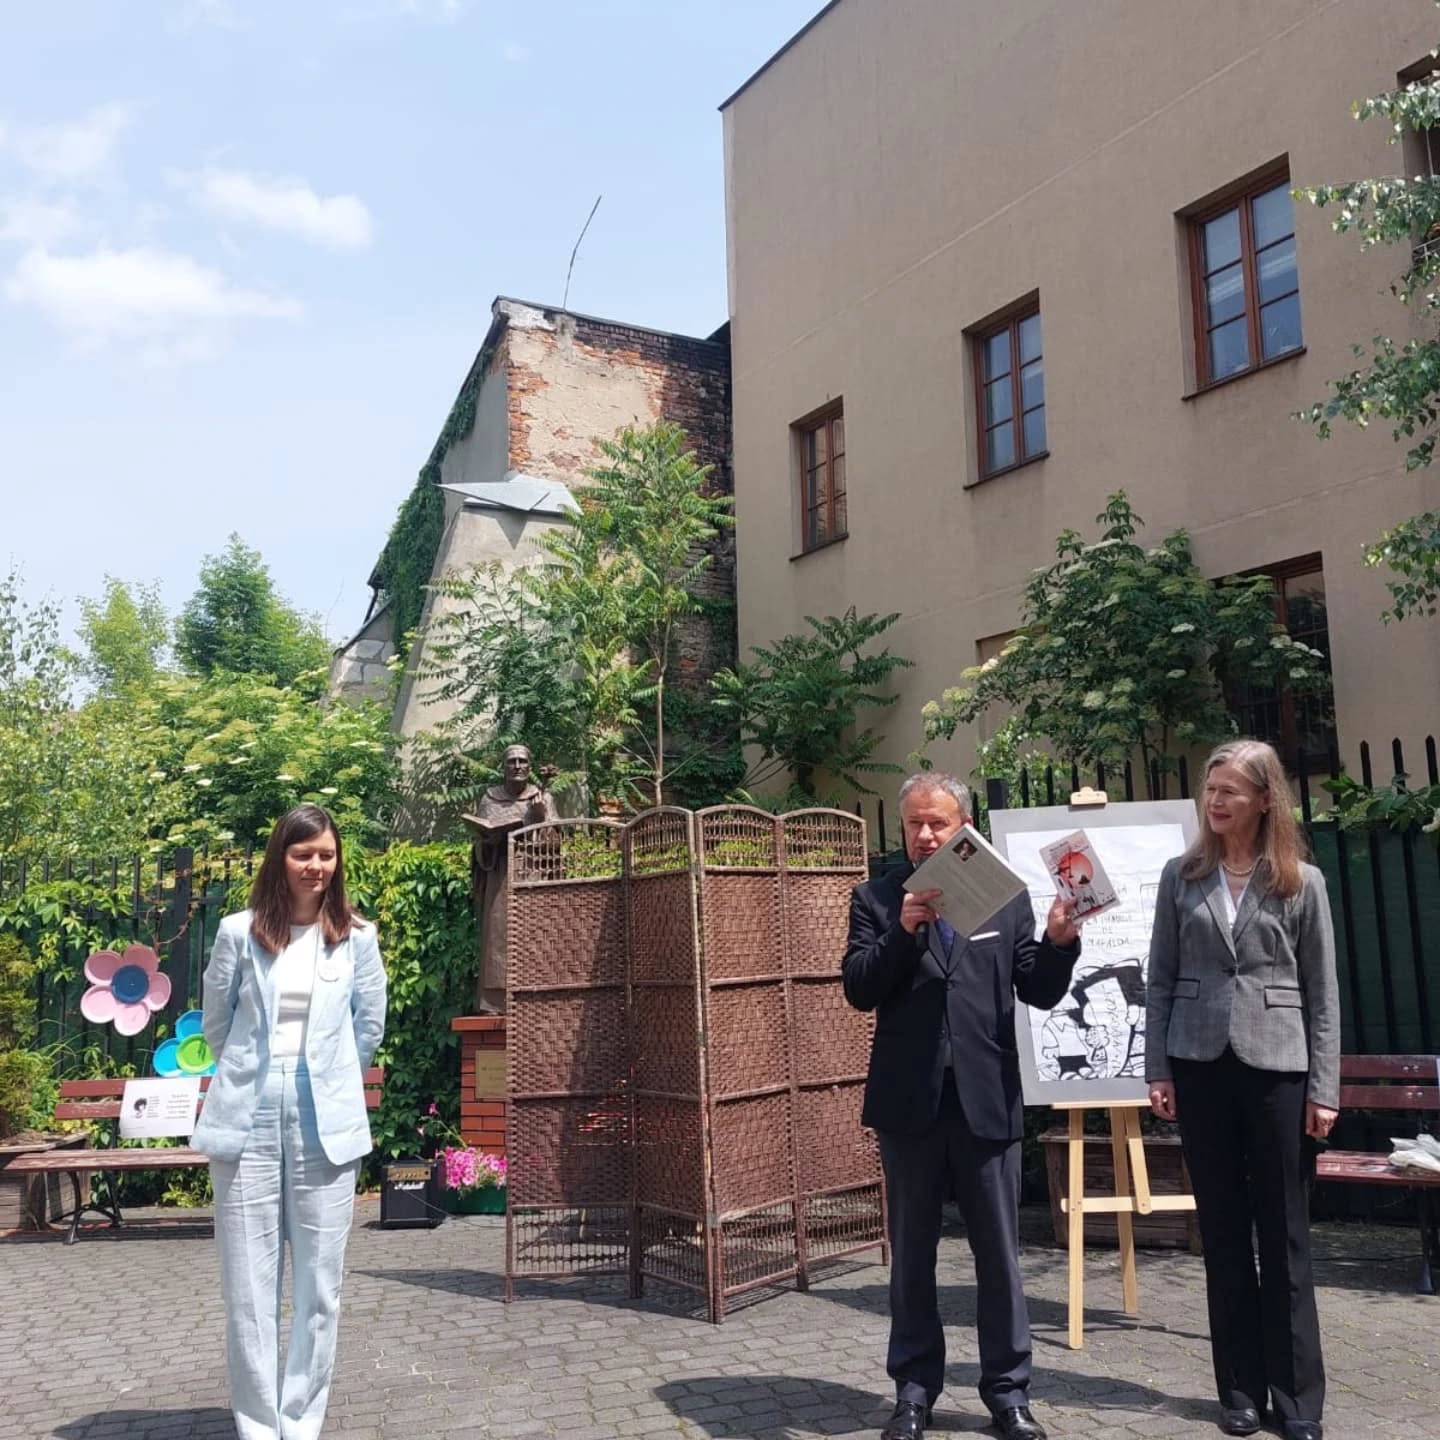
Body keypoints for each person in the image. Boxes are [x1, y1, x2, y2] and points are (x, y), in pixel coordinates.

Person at [843, 773, 1083, 1440]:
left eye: (938, 823)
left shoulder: (1004, 895)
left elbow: (1036, 987)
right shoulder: (876, 897)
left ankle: (1008, 1395)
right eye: (914, 823)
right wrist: (902, 932)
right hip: (909, 1105)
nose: (924, 835)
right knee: (912, 1257)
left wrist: (1060, 942)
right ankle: (913, 1393)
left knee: (999, 1258)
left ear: (965, 827)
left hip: (986, 1100)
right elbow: (859, 988)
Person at [1146, 739, 1338, 1440]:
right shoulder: (1181, 876)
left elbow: (1323, 993)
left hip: (1278, 1069)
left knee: (1284, 1233)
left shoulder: (1301, 882)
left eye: (1230, 790)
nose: (1216, 801)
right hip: (1198, 1064)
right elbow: (1160, 978)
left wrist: (1324, 1088)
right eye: (1211, 789)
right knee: (1223, 1231)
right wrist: (1158, 1069)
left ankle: (1298, 1400)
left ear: (1264, 798)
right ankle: (1239, 1392)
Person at [191, 804, 387, 1440]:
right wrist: (257, 1071)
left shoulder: (357, 937)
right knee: (248, 1289)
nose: (316, 866)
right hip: (247, 1116)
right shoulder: (237, 932)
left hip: (323, 1118)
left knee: (320, 1287)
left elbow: (368, 1027)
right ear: (281, 857)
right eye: (303, 854)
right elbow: (217, 1024)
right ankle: (257, 1426)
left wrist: (328, 1079)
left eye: (326, 854)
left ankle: (300, 1423)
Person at [463, 743, 559, 1014]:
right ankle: (496, 1001)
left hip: (531, 876)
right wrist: (488, 841)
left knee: (533, 935)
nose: (517, 766)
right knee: (499, 938)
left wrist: (540, 819)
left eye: (522, 761)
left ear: (530, 766)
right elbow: (479, 845)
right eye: (511, 761)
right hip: (499, 879)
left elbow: (555, 849)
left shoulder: (543, 798)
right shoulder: (489, 799)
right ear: (503, 767)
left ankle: (533, 997)